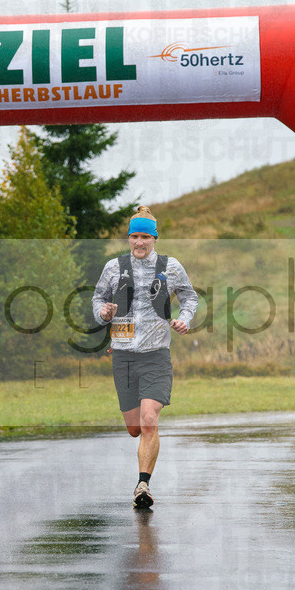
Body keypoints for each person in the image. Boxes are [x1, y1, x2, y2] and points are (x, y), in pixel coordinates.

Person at [92, 206, 197, 509]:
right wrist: (103, 312)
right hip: (123, 356)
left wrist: (184, 319)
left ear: (155, 238)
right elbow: (98, 298)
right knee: (135, 428)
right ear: (129, 238)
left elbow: (190, 297)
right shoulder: (114, 267)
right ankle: (142, 462)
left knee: (150, 418)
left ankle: (143, 485)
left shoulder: (170, 266)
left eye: (145, 237)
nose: (139, 242)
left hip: (155, 355)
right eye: (134, 236)